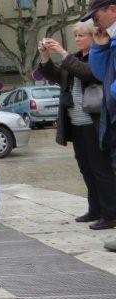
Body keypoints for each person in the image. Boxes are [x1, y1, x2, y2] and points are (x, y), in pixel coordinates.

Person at [39, 23, 116, 230]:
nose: (77, 39)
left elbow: (89, 74)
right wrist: (46, 57)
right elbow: (57, 76)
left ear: (93, 36)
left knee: (101, 169)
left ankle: (111, 213)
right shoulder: (73, 58)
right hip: (76, 123)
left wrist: (63, 53)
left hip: (95, 122)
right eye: (75, 36)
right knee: (86, 168)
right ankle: (95, 209)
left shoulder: (99, 57)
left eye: (81, 35)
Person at [82, 0, 116, 250]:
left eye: (96, 15)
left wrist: (112, 93)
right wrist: (99, 47)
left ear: (112, 10)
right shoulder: (110, 38)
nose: (94, 21)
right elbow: (98, 72)